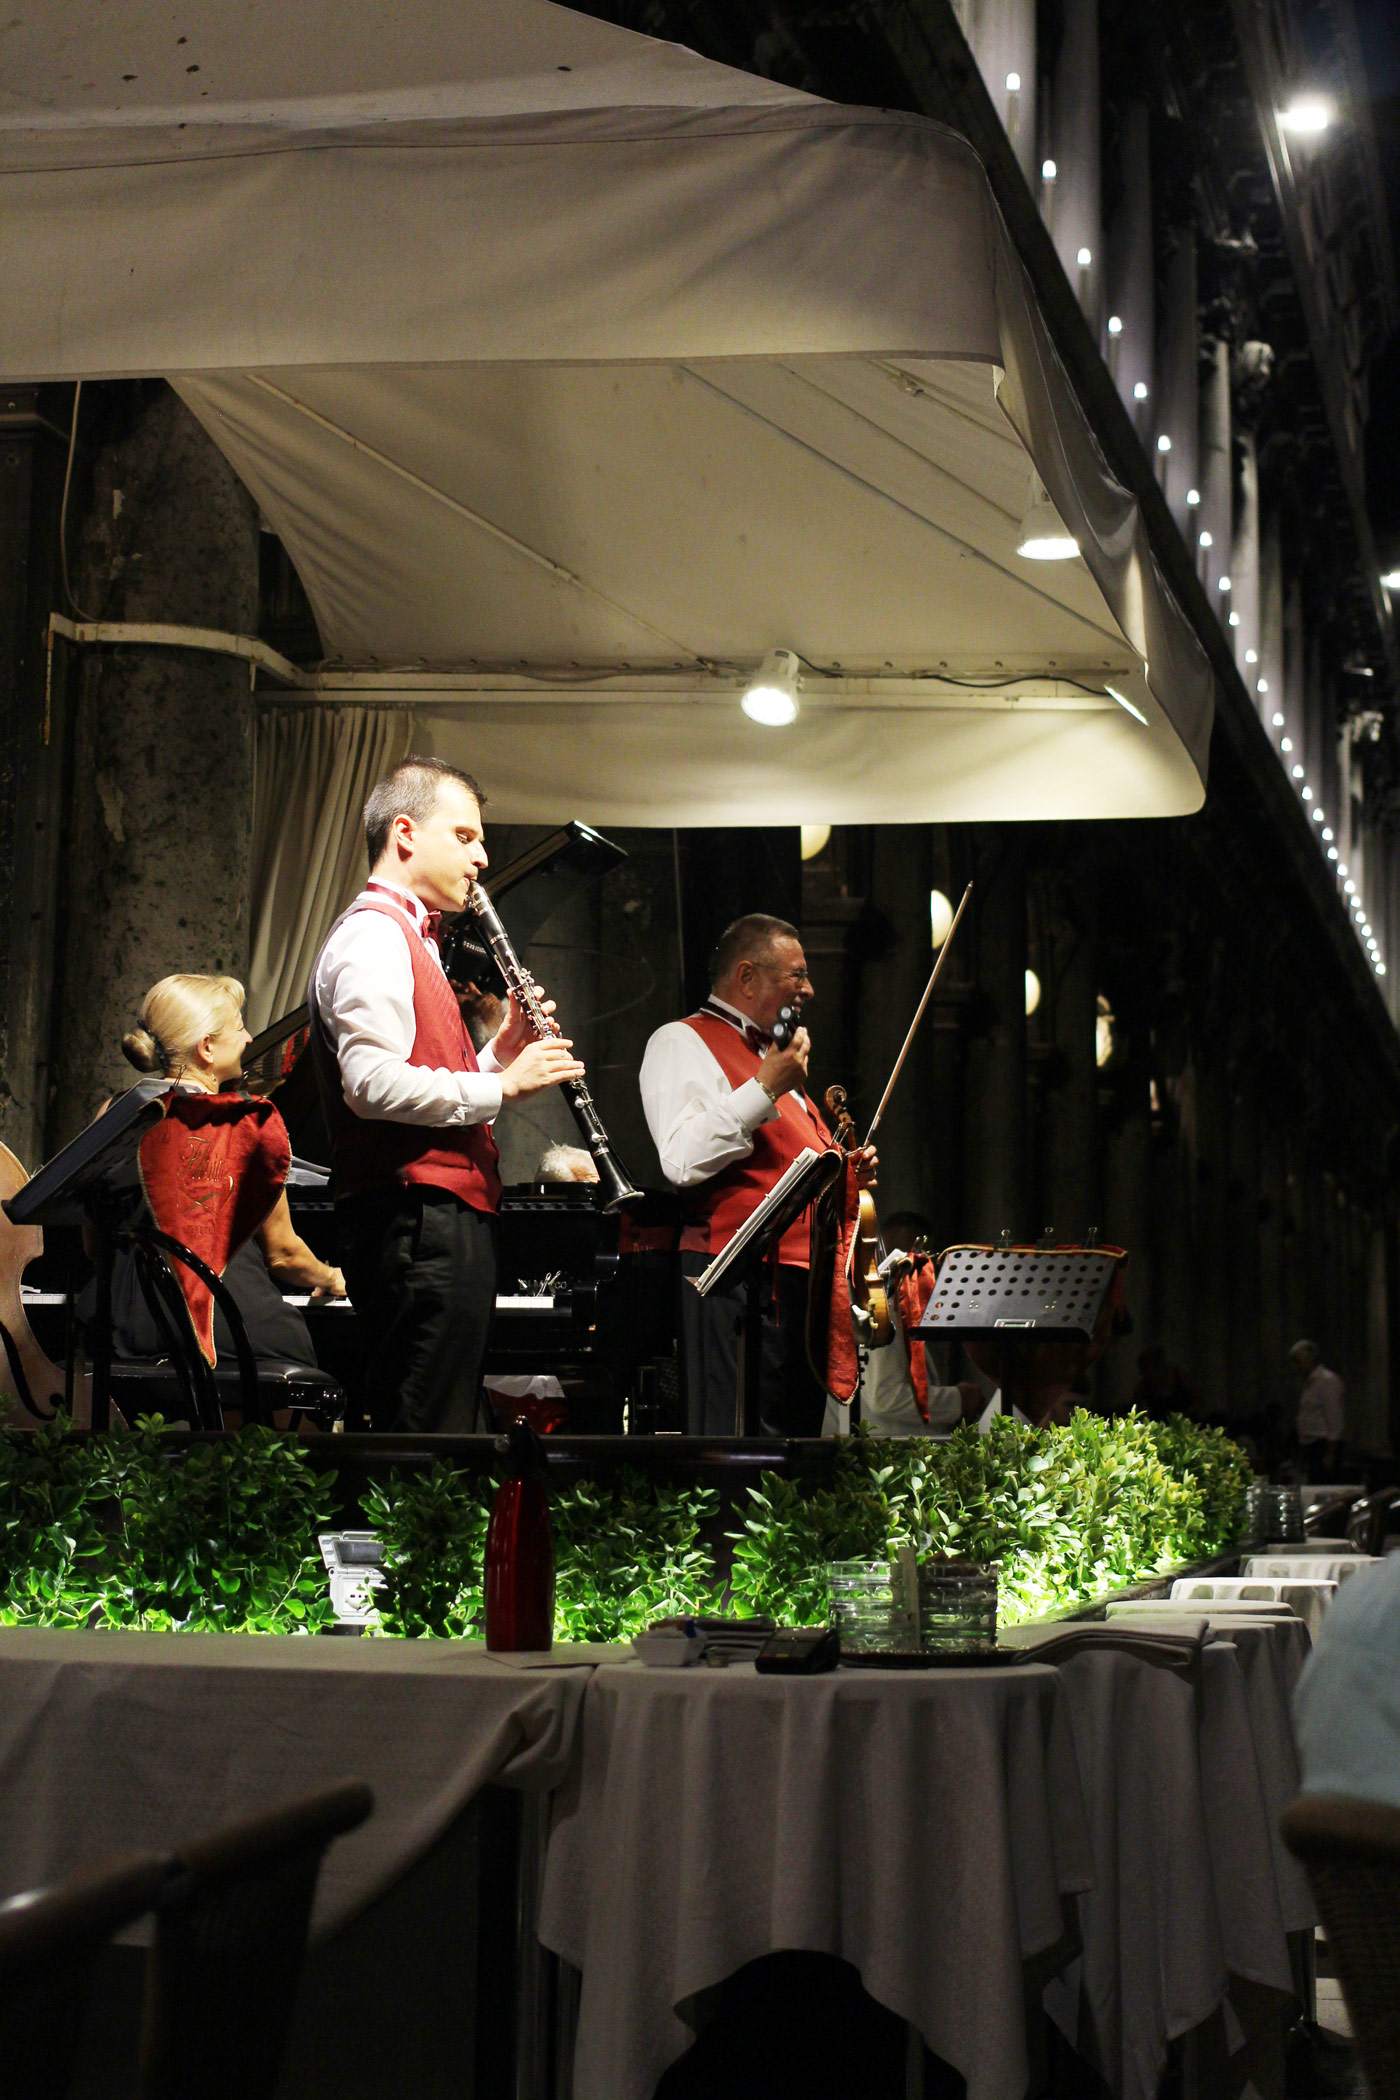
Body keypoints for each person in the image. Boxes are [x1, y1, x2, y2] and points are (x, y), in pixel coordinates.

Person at [308, 756, 584, 1433]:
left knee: (441, 1423)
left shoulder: (414, 938)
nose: (483, 857)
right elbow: (370, 1086)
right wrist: (500, 1083)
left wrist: (503, 1051)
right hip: (416, 1217)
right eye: (465, 836)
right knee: (426, 1432)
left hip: (435, 1215)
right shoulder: (374, 935)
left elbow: (420, 1072)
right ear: (405, 833)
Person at [640, 913, 873, 1436]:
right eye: (796, 975)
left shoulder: (772, 1056)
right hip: (733, 1281)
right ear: (747, 977)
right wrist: (764, 1087)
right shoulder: (681, 1040)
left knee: (793, 1450)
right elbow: (680, 1159)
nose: (809, 989)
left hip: (798, 1286)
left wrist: (846, 1172)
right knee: (738, 1446)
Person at [108, 974, 343, 1369]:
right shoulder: (249, 1122)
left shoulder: (114, 1114)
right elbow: (285, 1256)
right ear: (207, 1047)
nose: (250, 1037)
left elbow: (93, 1242)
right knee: (304, 1364)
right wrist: (331, 1276)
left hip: (125, 1322)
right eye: (238, 1026)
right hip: (232, 1324)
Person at [1290, 1339, 1345, 1480]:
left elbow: (1334, 1417)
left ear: (1310, 1358)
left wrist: (1330, 1452)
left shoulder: (1327, 1380)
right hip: (1309, 1444)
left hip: (1322, 1445)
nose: (1296, 1366)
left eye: (1298, 1361)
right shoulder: (1309, 1383)